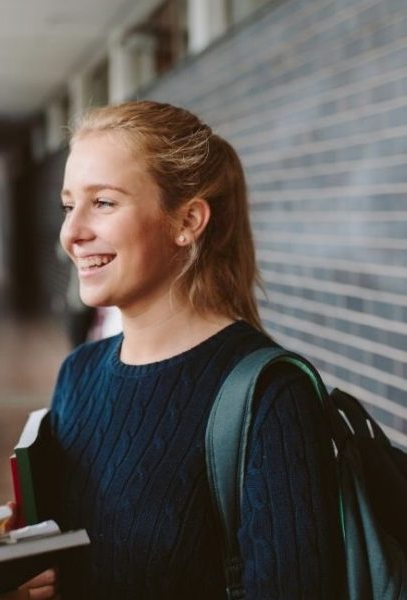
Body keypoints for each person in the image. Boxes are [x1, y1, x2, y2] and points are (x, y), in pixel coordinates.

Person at [51, 101, 345, 598]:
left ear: (187, 220)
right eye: (68, 205)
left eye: (103, 203)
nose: (72, 233)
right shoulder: (77, 375)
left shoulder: (272, 397)